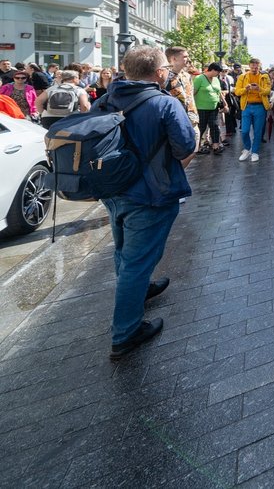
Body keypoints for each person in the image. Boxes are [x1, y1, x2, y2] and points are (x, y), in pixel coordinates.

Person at [97, 46, 196, 360]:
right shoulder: (165, 104)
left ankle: (139, 290)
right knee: (136, 262)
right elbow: (184, 149)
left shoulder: (105, 99)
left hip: (113, 191)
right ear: (160, 73)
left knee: (124, 250)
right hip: (150, 193)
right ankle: (126, 332)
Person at [234, 58, 271, 162]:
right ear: (249, 65)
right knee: (244, 131)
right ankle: (247, 149)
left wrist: (259, 89)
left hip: (260, 106)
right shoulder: (243, 76)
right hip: (246, 106)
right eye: (253, 65)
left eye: (256, 65)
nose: (254, 67)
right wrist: (245, 89)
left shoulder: (264, 77)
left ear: (259, 66)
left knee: (258, 131)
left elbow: (268, 91)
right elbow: (237, 92)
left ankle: (254, 152)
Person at [165, 47, 200, 146]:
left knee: (194, 148)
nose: (188, 59)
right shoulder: (164, 77)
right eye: (185, 56)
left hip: (192, 120)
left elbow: (190, 97)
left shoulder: (187, 76)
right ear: (173, 59)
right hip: (175, 122)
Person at [193, 63, 228, 155]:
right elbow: (193, 92)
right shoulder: (199, 78)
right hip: (201, 108)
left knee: (214, 126)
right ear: (212, 70)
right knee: (201, 127)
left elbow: (219, 92)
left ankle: (216, 146)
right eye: (218, 72)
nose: (218, 74)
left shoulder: (216, 79)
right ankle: (198, 147)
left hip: (214, 107)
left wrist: (225, 103)